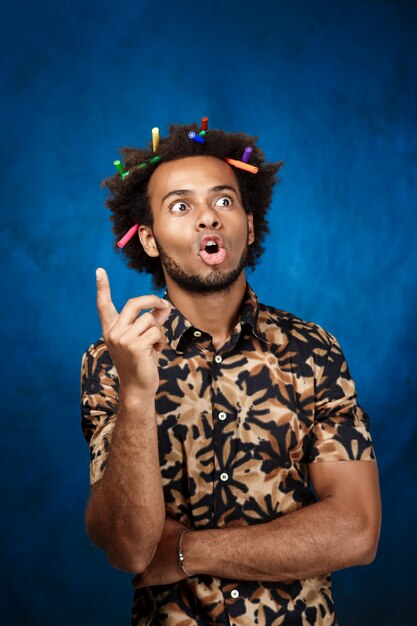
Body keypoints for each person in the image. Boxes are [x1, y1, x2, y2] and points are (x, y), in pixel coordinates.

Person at [81, 120, 381, 626]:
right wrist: (136, 392)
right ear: (150, 241)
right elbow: (130, 549)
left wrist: (184, 552)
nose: (207, 219)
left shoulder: (314, 351)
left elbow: (357, 530)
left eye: (223, 201)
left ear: (250, 225)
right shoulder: (111, 362)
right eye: (181, 206)